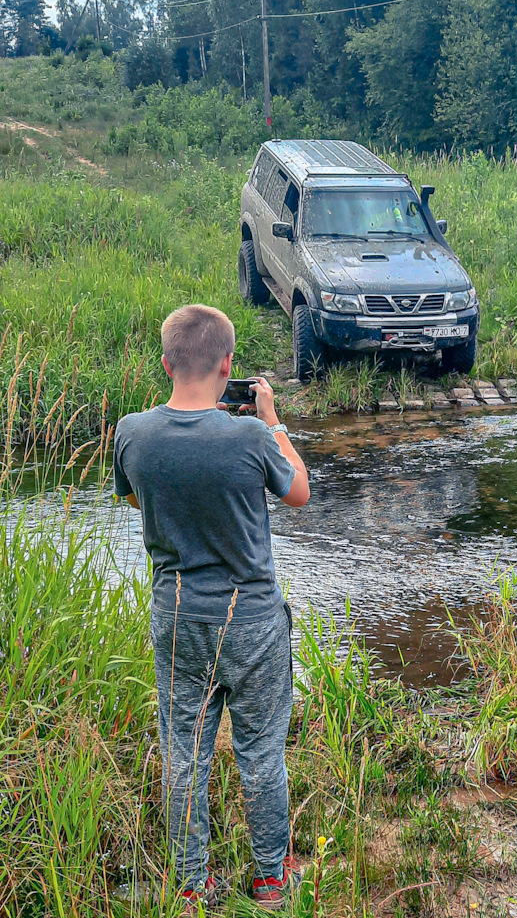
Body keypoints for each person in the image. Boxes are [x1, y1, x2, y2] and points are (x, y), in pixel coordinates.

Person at [113, 304, 310, 911]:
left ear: (167, 363)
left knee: (185, 753)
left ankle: (191, 884)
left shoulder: (132, 432)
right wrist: (273, 423)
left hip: (178, 620)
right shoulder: (251, 436)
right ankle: (271, 879)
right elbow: (299, 493)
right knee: (261, 753)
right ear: (230, 366)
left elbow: (133, 498)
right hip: (250, 621)